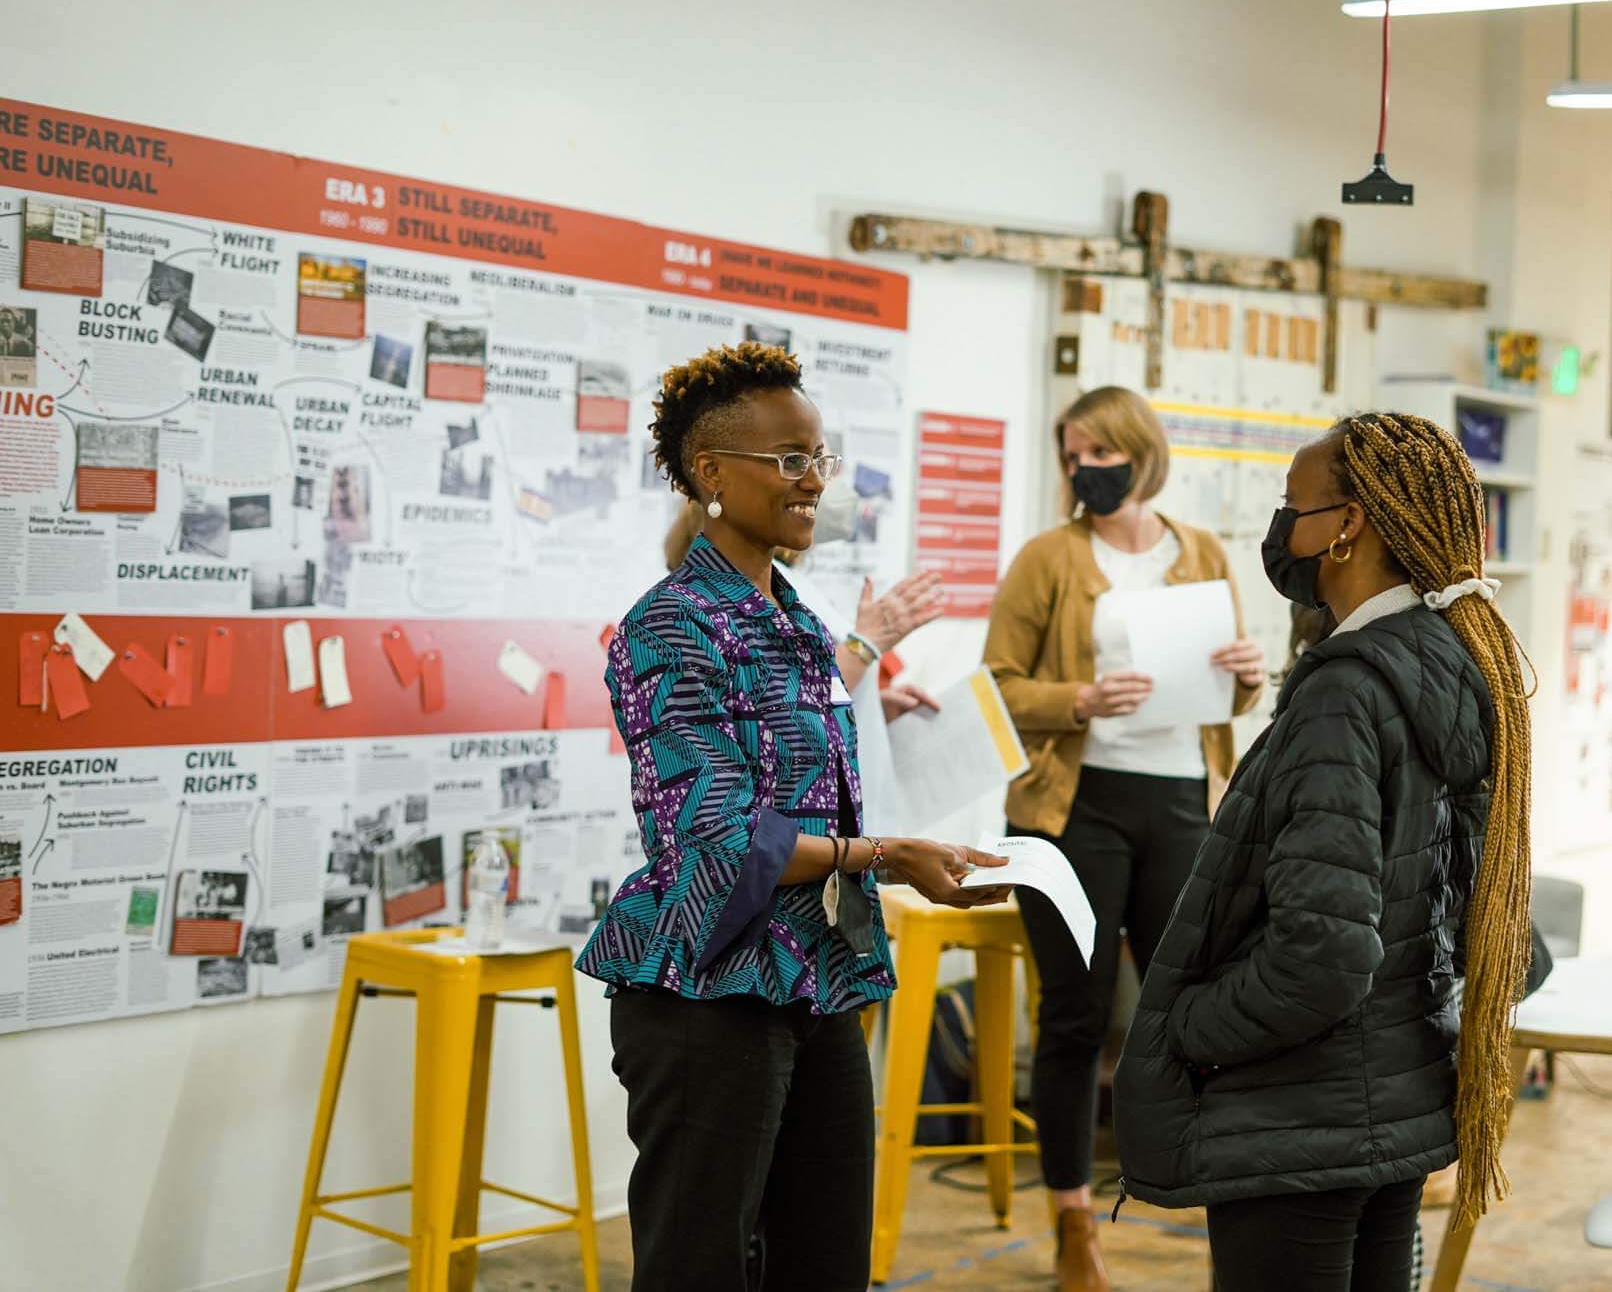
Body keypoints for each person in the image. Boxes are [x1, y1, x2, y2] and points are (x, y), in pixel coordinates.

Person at [579, 341, 1009, 1292]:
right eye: (789, 460)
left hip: (816, 974)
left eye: (820, 456)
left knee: (824, 1263)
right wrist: (887, 852)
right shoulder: (669, 626)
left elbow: (806, 783)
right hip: (706, 993)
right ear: (711, 474)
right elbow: (724, 838)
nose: (814, 480)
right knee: (699, 1267)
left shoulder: (802, 622)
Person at [1112, 410, 1535, 1292]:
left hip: (1301, 1117)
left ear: (1347, 526)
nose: (1280, 529)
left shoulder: (1345, 693)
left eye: (1291, 505)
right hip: (1394, 1098)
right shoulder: (1450, 663)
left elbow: (1323, 955)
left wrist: (1188, 1026)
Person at [982, 384, 1266, 1291]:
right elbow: (996, 685)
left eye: (1100, 454)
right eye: (1071, 456)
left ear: (1140, 455)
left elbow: (1234, 690)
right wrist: (1077, 699)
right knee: (1075, 1014)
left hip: (1183, 799)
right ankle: (1073, 1221)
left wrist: (1251, 676)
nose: (1085, 471)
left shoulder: (1205, 552)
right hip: (1075, 808)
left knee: (1187, 1010)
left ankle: (1198, 1189)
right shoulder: (1047, 558)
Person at [662, 504, 944, 834]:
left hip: (842, 831)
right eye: (796, 460)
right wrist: (864, 646)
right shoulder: (712, 600)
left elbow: (800, 692)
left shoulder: (784, 585)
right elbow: (780, 702)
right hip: (790, 839)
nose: (816, 483)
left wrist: (870, 708)